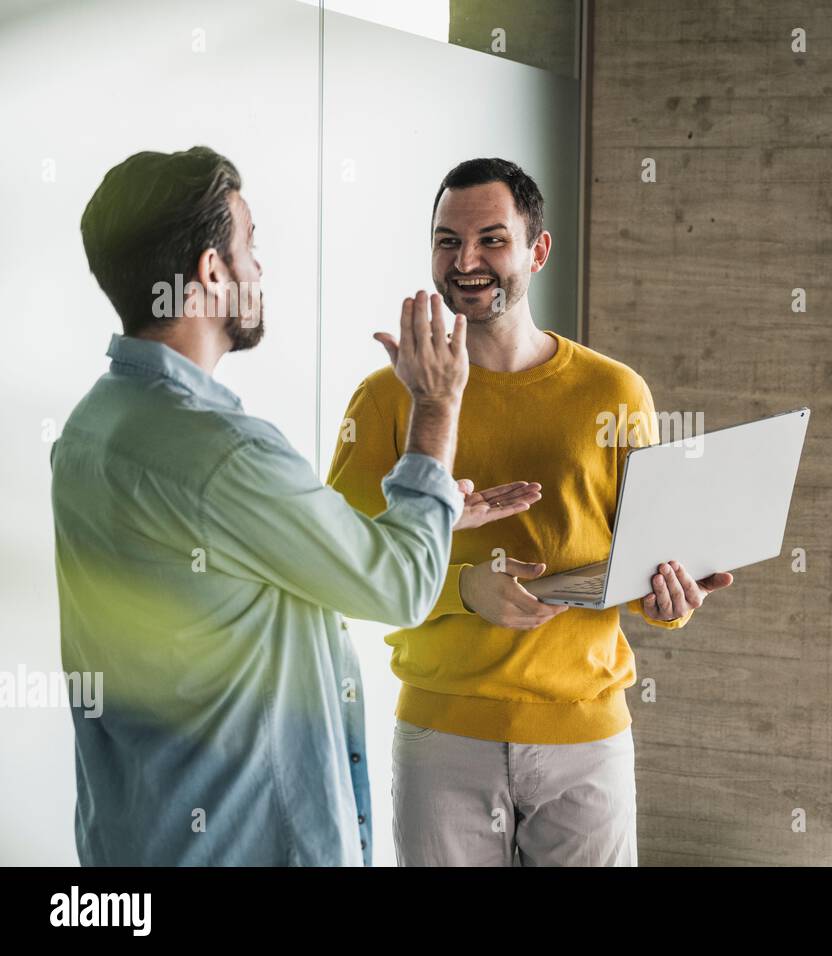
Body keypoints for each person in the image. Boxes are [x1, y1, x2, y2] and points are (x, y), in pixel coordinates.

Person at [53, 146, 538, 865]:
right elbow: (399, 585)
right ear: (212, 273)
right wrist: (436, 406)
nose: (261, 270)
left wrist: (427, 516)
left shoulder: (90, 428)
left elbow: (233, 573)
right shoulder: (224, 452)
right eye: (250, 247)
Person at [327, 157, 734, 866]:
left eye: (492, 239)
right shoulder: (387, 399)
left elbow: (649, 568)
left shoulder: (615, 393)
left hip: (585, 736)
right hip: (442, 735)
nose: (467, 261)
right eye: (447, 241)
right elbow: (342, 568)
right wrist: (463, 590)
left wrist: (672, 600)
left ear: (537, 251)